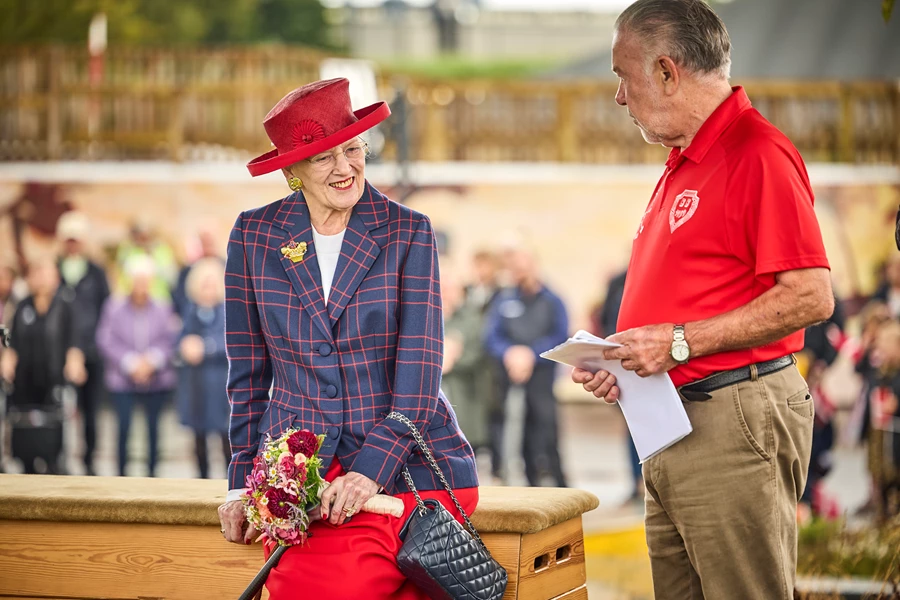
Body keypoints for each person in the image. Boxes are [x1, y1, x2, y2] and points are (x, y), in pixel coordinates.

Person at [572, 1, 833, 597]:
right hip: (677, 420)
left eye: (623, 75)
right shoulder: (686, 159)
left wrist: (681, 342)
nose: (619, 95)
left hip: (730, 420)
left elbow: (811, 296)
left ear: (667, 72)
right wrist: (627, 360)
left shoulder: (755, 152)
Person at [216, 78, 478, 599]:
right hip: (300, 476)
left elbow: (420, 375)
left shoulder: (408, 231)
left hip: (403, 468)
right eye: (323, 158)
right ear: (292, 172)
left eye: (353, 149)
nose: (345, 168)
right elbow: (246, 377)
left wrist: (367, 474)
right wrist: (242, 482)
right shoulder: (254, 235)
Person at [485, 245, 568, 487]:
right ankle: (530, 486)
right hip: (511, 379)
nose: (519, 273)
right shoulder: (504, 300)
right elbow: (492, 337)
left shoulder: (553, 300)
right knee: (518, 437)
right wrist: (511, 353)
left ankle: (562, 485)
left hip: (541, 381)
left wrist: (531, 355)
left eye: (523, 267)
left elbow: (561, 335)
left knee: (547, 433)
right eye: (515, 269)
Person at [0, 256, 86, 474]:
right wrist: (7, 362)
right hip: (25, 383)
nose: (41, 278)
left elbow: (74, 342)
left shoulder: (65, 306)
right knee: (24, 441)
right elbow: (13, 343)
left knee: (52, 443)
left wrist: (75, 362)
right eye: (36, 273)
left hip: (53, 381)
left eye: (45, 273)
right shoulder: (22, 307)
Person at [96, 256, 178, 477]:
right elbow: (105, 339)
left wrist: (152, 361)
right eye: (137, 280)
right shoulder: (113, 307)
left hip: (156, 378)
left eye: (145, 280)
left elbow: (170, 339)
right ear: (129, 281)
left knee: (154, 431)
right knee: (123, 429)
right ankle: (121, 475)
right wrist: (130, 363)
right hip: (122, 379)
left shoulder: (163, 307)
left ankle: (152, 476)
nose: (141, 285)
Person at [56, 211, 110, 476]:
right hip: (60, 353)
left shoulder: (96, 273)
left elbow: (106, 310)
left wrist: (95, 345)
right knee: (61, 408)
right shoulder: (55, 270)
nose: (72, 244)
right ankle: (59, 458)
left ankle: (89, 460)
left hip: (92, 353)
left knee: (91, 410)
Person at [176, 257, 231, 479]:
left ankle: (231, 483)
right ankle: (201, 482)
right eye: (203, 284)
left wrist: (205, 348)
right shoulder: (191, 311)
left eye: (211, 283)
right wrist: (184, 346)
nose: (207, 289)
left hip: (219, 385)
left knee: (225, 439)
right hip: (196, 385)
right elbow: (180, 339)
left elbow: (229, 341)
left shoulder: (227, 311)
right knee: (198, 440)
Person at [440, 265, 489, 454]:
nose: (444, 293)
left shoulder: (472, 318)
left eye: (449, 288)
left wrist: (452, 357)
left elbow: (474, 352)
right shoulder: (427, 316)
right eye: (441, 287)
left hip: (464, 400)